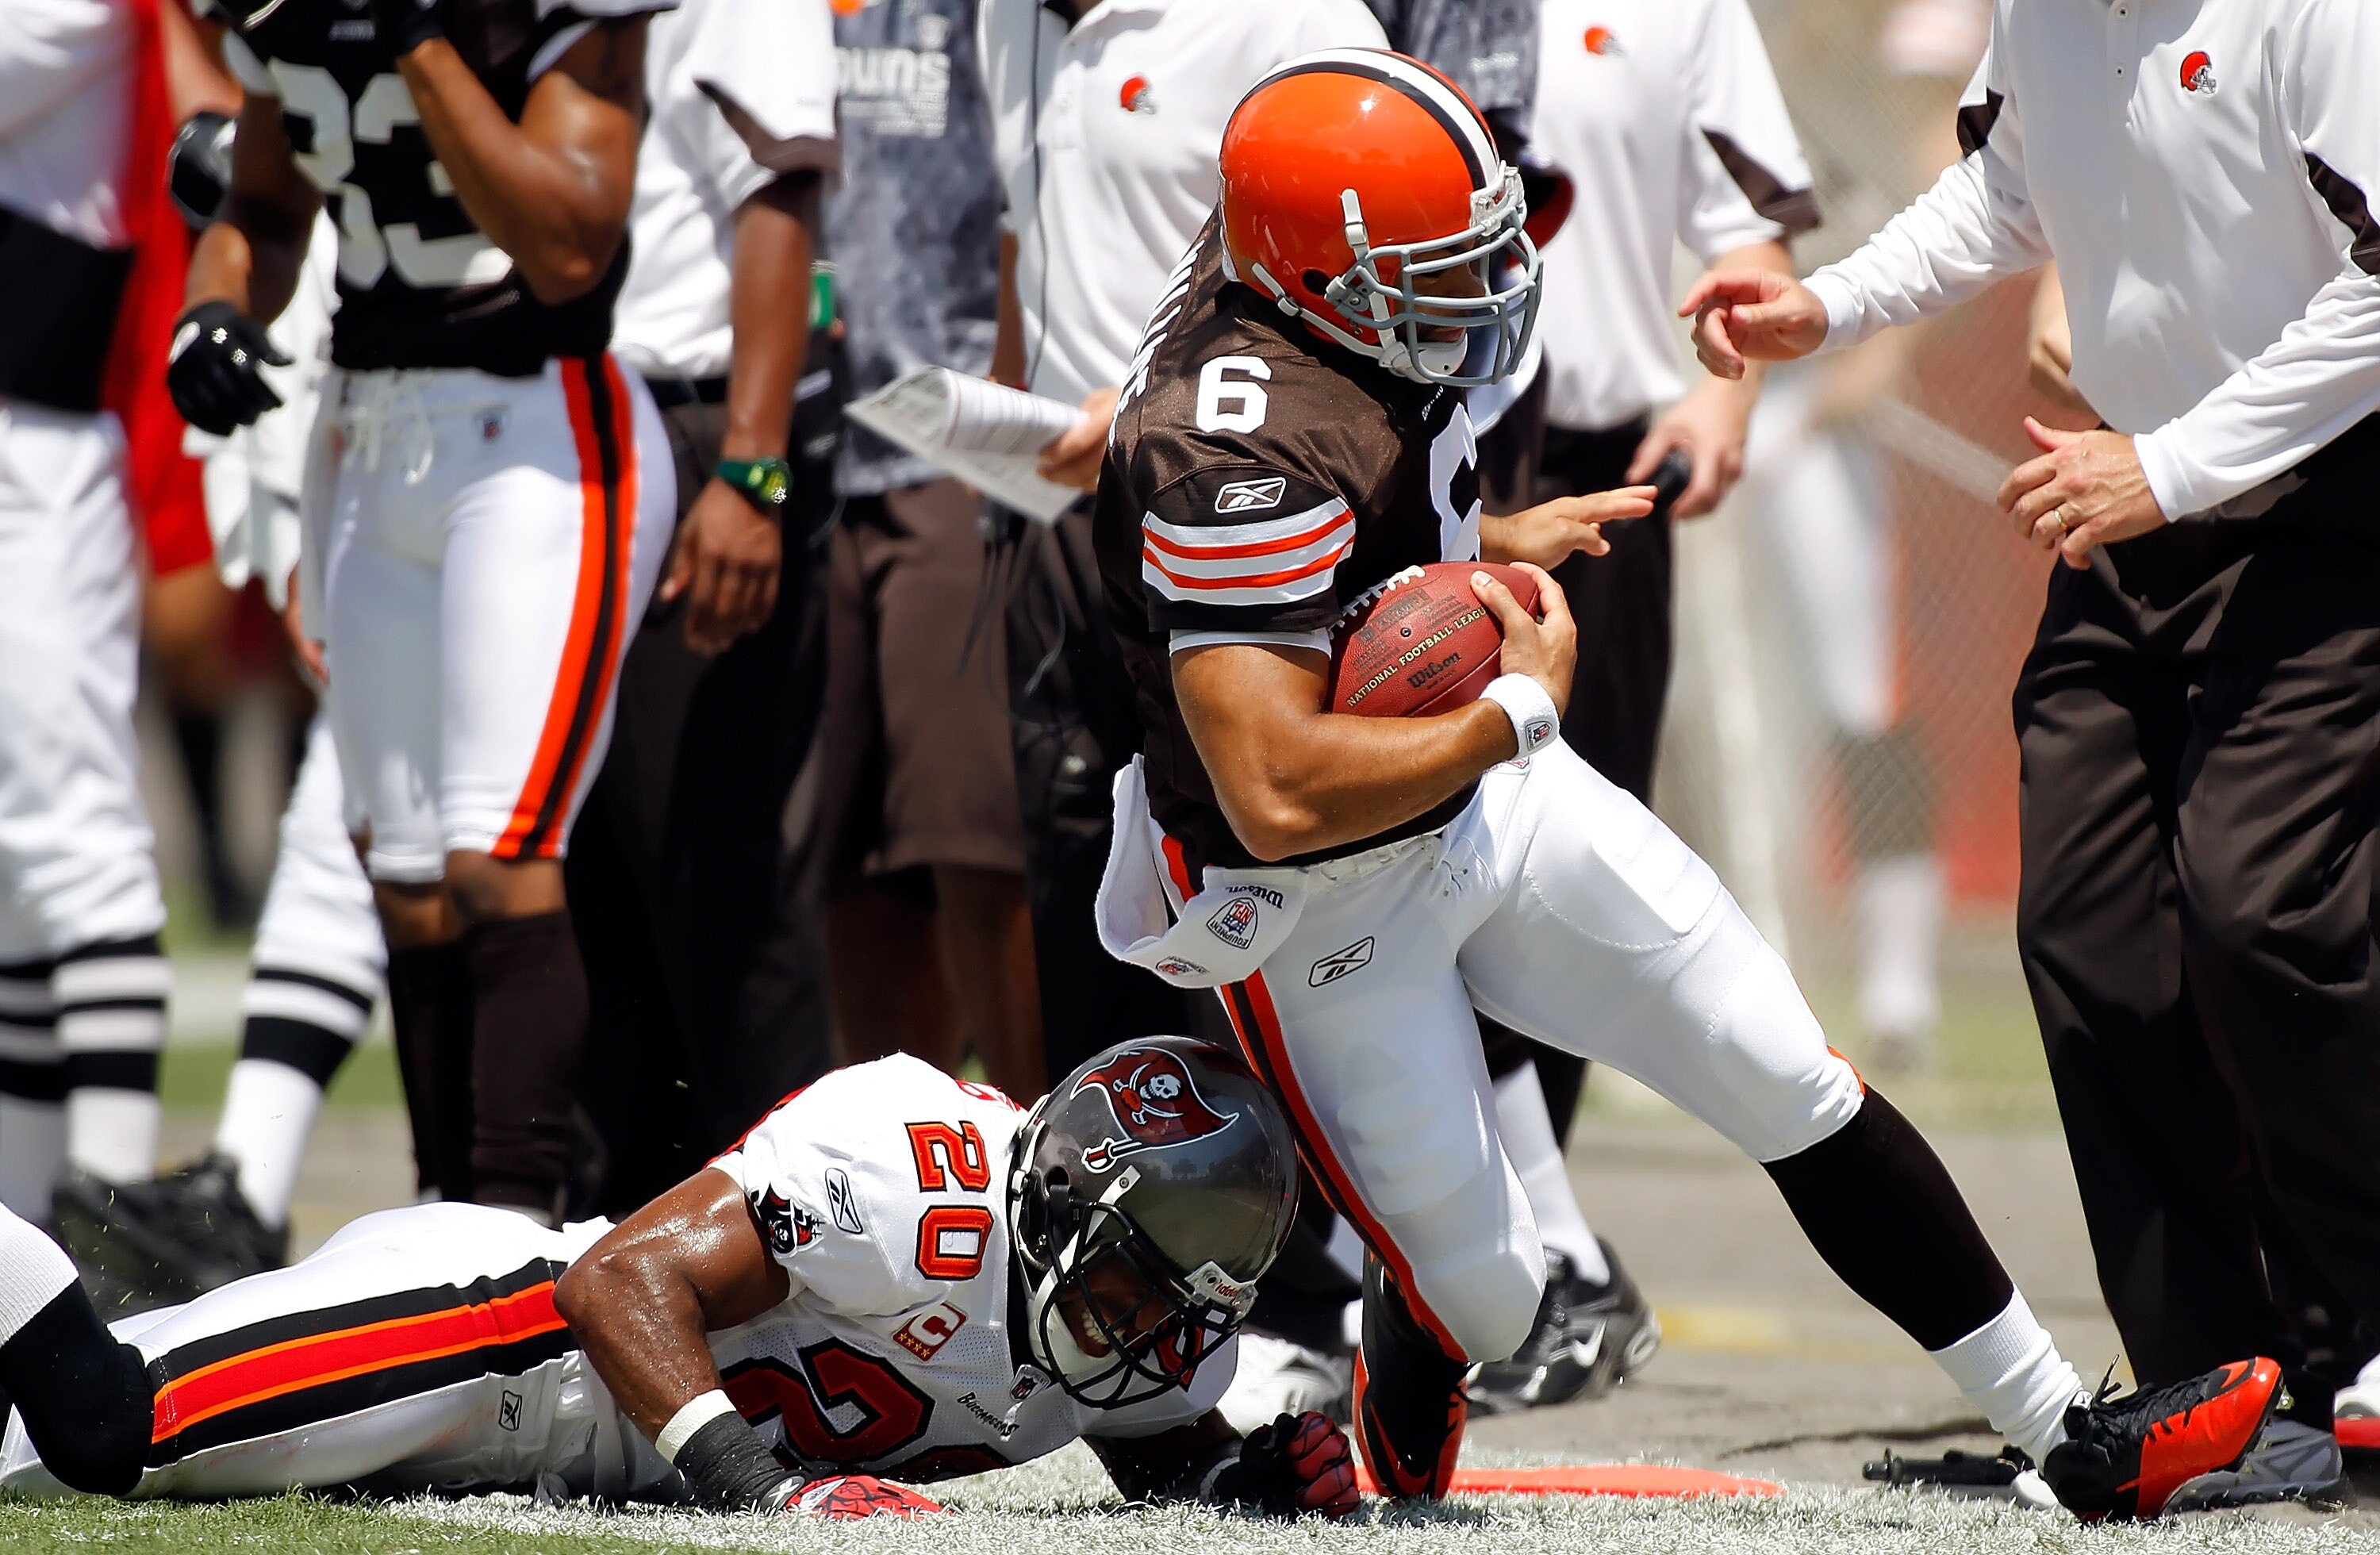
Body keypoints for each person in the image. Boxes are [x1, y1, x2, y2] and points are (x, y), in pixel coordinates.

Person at [1089, 49, 2283, 1521]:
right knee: (1495, 1293)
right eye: (1435, 272)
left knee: (1783, 1067)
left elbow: (1366, 528)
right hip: (1309, 891)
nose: (1480, 298)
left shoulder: (1322, 315)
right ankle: (1400, 1372)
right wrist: (1515, 714)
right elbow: (1273, 785)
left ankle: (2067, 1434)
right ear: (1323, 277)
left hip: (1477, 795)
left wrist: (1485, 544)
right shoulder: (1229, 449)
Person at [1683, 0, 2380, 1509]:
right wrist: (1834, 306)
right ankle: (2227, 1388)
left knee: (2260, 909)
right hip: (2124, 500)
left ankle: (2362, 1339)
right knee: (2087, 934)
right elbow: (2004, 196)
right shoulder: (2046, 12)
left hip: (2320, 508)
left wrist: (2174, 465)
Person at [0, 1037, 1356, 1525]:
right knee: (99, 1422)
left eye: (1178, 1316)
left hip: (570, 1449)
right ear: (1064, 1208)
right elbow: (616, 1281)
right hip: (514, 1343)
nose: (1144, 1342)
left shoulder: (1136, 1337)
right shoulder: (915, 1169)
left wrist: (1267, 1482)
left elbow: (1162, 1454)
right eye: (1131, 1294)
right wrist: (770, 1495)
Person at [168, 0, 678, 1223]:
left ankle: (512, 1240)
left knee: (499, 861)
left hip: (537, 437)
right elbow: (265, 204)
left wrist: (416, 36)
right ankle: (440, 1221)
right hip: (374, 426)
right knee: (402, 877)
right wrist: (217, 302)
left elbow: (565, 241)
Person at [1463, 0, 1817, 1415]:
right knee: (1408, 855)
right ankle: (1528, 1261)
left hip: (1603, 476)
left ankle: (1528, 1264)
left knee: (1558, 868)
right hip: (1406, 464)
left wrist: (1726, 404)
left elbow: (1747, 229)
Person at [568, 0, 842, 1215]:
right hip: (550, 428)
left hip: (698, 430)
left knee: (717, 877)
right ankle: (595, 1246)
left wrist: (752, 469)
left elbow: (777, 191)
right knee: (576, 881)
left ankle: (803, 1243)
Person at [803, 0, 1044, 1100]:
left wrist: (1004, 422)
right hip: (804, 451)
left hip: (950, 435)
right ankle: (897, 1183)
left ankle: (1051, 1158)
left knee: (980, 842)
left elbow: (1033, 186)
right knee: (846, 862)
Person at [1, 0, 191, 1237]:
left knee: (77, 845)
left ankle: (111, 1236)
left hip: (35, 448)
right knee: (15, 882)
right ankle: (21, 1247)